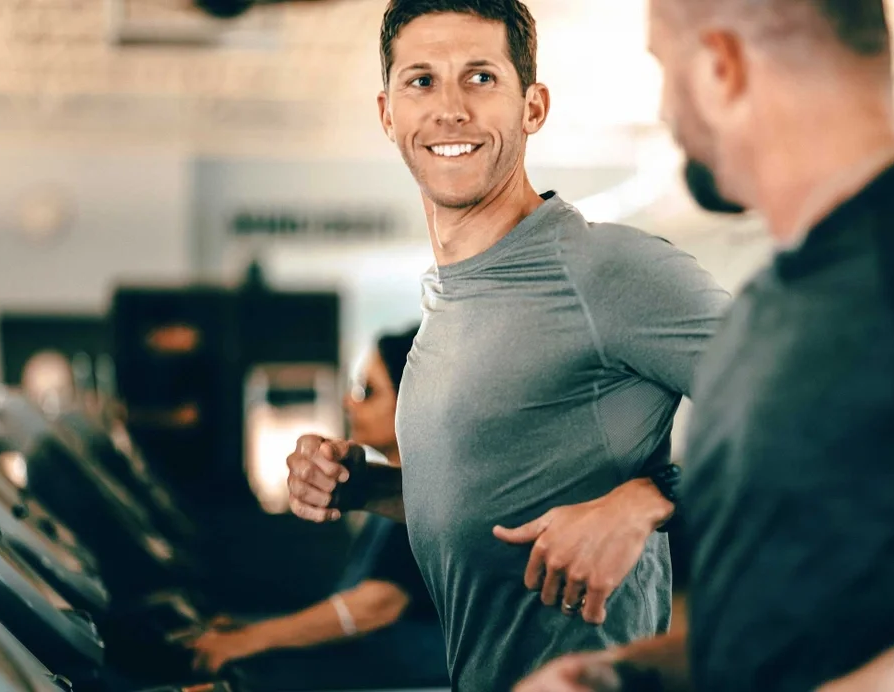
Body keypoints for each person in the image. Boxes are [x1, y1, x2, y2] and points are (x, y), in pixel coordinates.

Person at [516, 0, 894, 690]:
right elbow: (805, 632)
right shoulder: (763, 313)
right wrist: (625, 674)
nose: (664, 110)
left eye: (665, 68)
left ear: (721, 68)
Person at [285, 0, 731, 688]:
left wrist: (649, 499)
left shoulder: (608, 271)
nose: (450, 109)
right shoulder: (449, 301)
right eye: (422, 81)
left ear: (533, 107)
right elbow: (499, 512)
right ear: (387, 114)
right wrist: (365, 487)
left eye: (481, 78)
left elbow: (813, 416)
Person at [189, 325, 448, 690]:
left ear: (413, 402)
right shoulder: (389, 497)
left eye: (366, 392)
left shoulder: (430, 500)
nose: (348, 403)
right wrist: (248, 629)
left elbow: (375, 605)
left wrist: (248, 640)